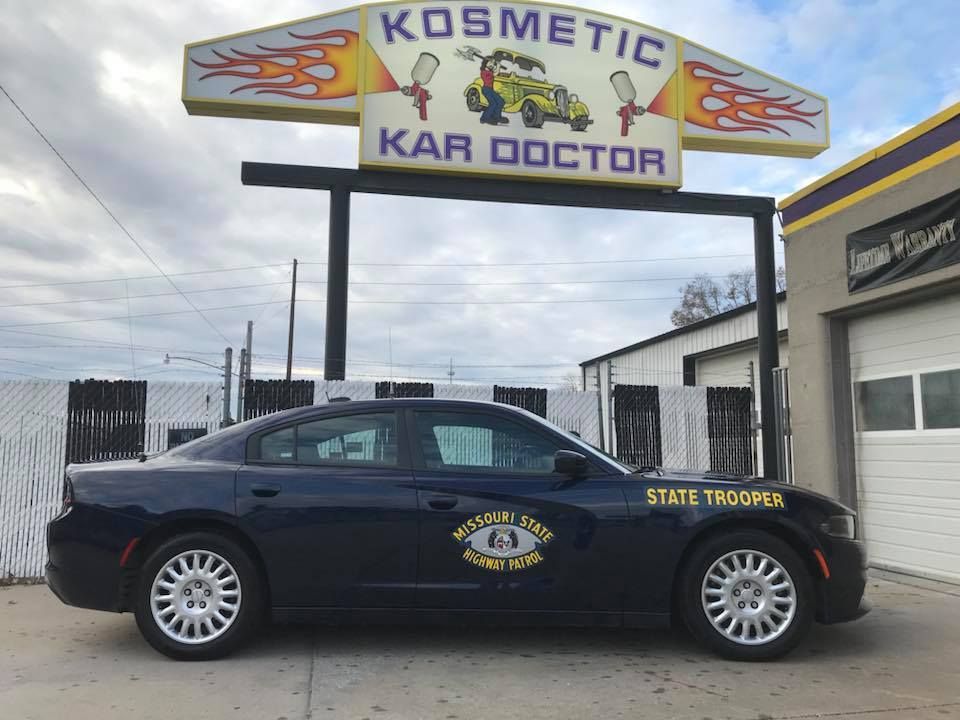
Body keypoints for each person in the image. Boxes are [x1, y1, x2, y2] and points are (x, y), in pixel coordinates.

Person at [479, 57, 507, 125]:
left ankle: (496, 117)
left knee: (501, 101)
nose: (492, 64)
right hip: (486, 89)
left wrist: (497, 66)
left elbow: (494, 71)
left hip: (490, 90)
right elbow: (495, 73)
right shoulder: (484, 72)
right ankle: (484, 118)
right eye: (490, 62)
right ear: (485, 63)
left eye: (493, 63)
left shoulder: (489, 71)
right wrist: (498, 66)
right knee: (493, 104)